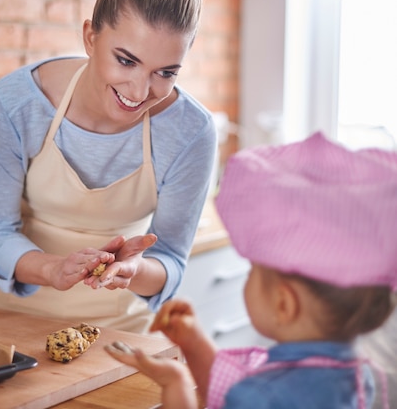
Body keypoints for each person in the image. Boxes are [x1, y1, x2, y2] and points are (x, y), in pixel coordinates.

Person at [0, 0, 217, 333]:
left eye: (165, 72)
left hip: (121, 338)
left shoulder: (191, 131)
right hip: (12, 328)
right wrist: (53, 269)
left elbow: (170, 261)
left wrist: (134, 271)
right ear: (90, 37)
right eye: (126, 60)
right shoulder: (18, 102)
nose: (139, 92)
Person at [105, 132, 397, 407]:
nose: (248, 279)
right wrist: (194, 345)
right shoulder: (354, 374)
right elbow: (230, 394)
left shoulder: (261, 393)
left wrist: (176, 383)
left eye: (252, 271)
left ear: (284, 303)